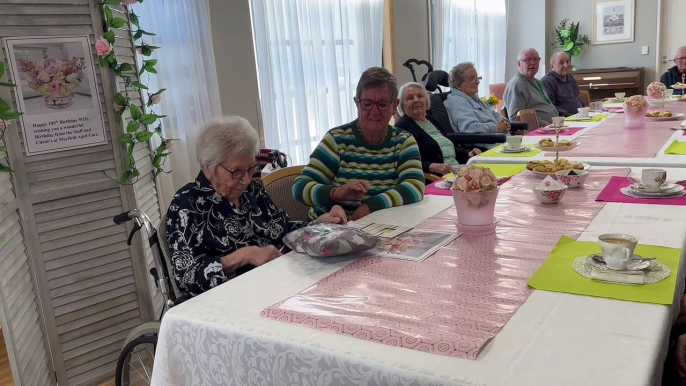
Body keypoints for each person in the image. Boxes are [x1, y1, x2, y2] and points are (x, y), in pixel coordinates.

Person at [166, 116, 347, 297]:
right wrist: (243, 256)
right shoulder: (186, 206)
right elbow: (186, 280)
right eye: (236, 172)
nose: (246, 180)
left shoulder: (252, 189)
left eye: (250, 169)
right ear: (207, 167)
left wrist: (318, 225)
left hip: (280, 287)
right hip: (233, 302)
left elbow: (283, 229)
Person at [293, 67, 425, 221]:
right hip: (332, 229)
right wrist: (337, 193)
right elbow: (300, 187)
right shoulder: (337, 139)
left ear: (394, 105)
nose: (374, 112)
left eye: (382, 104)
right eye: (367, 104)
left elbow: (415, 186)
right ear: (356, 103)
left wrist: (371, 205)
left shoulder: (403, 141)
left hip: (383, 229)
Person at [394, 81, 481, 176]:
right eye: (410, 98)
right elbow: (403, 162)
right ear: (402, 104)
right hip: (436, 178)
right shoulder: (402, 127)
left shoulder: (430, 119)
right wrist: (430, 166)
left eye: (420, 96)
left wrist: (468, 153)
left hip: (456, 171)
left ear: (426, 100)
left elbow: (445, 146)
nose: (416, 100)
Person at [443, 62, 511, 150]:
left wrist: (504, 123)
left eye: (477, 78)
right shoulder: (456, 101)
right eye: (471, 79)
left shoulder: (474, 98)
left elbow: (493, 114)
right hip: (486, 147)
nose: (477, 82)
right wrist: (495, 128)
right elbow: (469, 128)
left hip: (501, 142)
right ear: (458, 85)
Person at [504, 48, 559, 125]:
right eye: (528, 60)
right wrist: (543, 124)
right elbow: (516, 118)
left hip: (552, 127)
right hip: (537, 132)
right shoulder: (516, 85)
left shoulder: (538, 82)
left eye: (536, 59)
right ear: (519, 64)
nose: (533, 63)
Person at [541, 52, 586, 117]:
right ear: (552, 66)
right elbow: (551, 107)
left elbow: (577, 98)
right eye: (561, 63)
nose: (566, 65)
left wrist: (586, 110)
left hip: (580, 117)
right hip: (564, 120)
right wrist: (570, 116)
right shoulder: (547, 81)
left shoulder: (570, 77)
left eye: (568, 62)